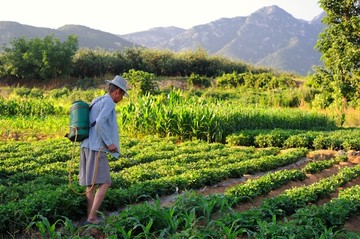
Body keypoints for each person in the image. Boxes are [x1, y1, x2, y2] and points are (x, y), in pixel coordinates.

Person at [79, 75, 128, 224]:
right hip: (97, 148)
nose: (121, 99)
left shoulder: (97, 100)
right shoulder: (108, 102)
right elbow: (100, 122)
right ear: (117, 92)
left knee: (91, 184)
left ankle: (90, 217)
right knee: (105, 182)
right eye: (122, 95)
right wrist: (110, 143)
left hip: (86, 145)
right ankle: (92, 217)